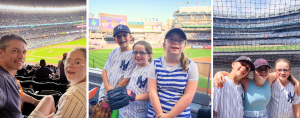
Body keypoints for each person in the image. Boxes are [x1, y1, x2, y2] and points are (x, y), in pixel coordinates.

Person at [214, 58, 300, 117]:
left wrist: (296, 82)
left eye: (265, 69)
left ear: (269, 71)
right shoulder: (246, 81)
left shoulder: (269, 79)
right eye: (259, 69)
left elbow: (282, 73)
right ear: (253, 72)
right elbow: (232, 76)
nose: (263, 71)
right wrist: (219, 73)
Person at [147, 28, 199, 118]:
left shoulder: (191, 66)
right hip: (156, 114)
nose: (175, 42)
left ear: (184, 45)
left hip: (181, 115)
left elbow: (188, 96)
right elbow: (152, 92)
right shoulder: (155, 64)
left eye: (180, 40)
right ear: (164, 43)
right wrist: (161, 115)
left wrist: (169, 116)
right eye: (171, 39)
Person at [28, 47, 87, 118]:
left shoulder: (72, 97)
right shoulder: (78, 91)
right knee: (48, 98)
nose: (70, 65)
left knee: (48, 98)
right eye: (68, 61)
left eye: (77, 62)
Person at [0, 34, 40, 118]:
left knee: (49, 100)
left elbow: (17, 92)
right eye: (15, 50)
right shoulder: (2, 80)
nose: (22, 56)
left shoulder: (8, 75)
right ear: (1, 53)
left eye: (24, 52)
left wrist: (35, 101)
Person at [99, 24, 136, 100]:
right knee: (100, 111)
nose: (122, 38)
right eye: (118, 36)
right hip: (104, 89)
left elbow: (126, 80)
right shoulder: (114, 51)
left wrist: (112, 93)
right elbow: (104, 70)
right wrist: (107, 87)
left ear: (130, 37)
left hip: (118, 93)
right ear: (115, 39)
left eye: (124, 35)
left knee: (113, 111)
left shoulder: (133, 55)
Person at [119, 41, 152, 118]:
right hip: (124, 111)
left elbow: (151, 94)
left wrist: (133, 97)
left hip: (138, 113)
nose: (138, 55)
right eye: (135, 52)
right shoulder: (134, 66)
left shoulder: (151, 71)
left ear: (149, 56)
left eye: (142, 53)